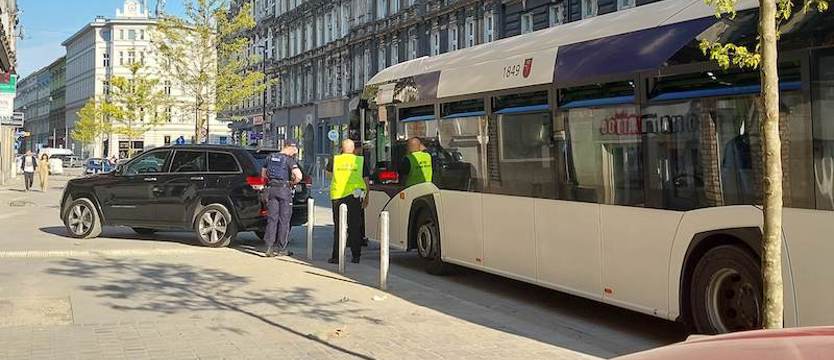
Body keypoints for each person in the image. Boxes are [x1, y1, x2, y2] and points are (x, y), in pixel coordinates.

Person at [328, 139, 370, 264]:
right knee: (355, 226)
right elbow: (366, 180)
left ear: (341, 148)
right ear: (353, 149)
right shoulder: (360, 161)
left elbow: (329, 175)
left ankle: (337, 257)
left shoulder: (335, 160)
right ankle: (356, 256)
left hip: (338, 196)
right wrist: (367, 196)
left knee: (339, 227)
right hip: (355, 196)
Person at [261, 140, 302, 257]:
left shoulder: (270, 158)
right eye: (294, 150)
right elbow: (299, 176)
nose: (295, 152)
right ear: (290, 147)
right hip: (284, 190)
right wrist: (293, 182)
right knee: (284, 220)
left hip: (271, 190)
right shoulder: (288, 160)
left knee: (272, 219)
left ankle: (269, 248)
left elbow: (263, 174)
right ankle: (281, 248)